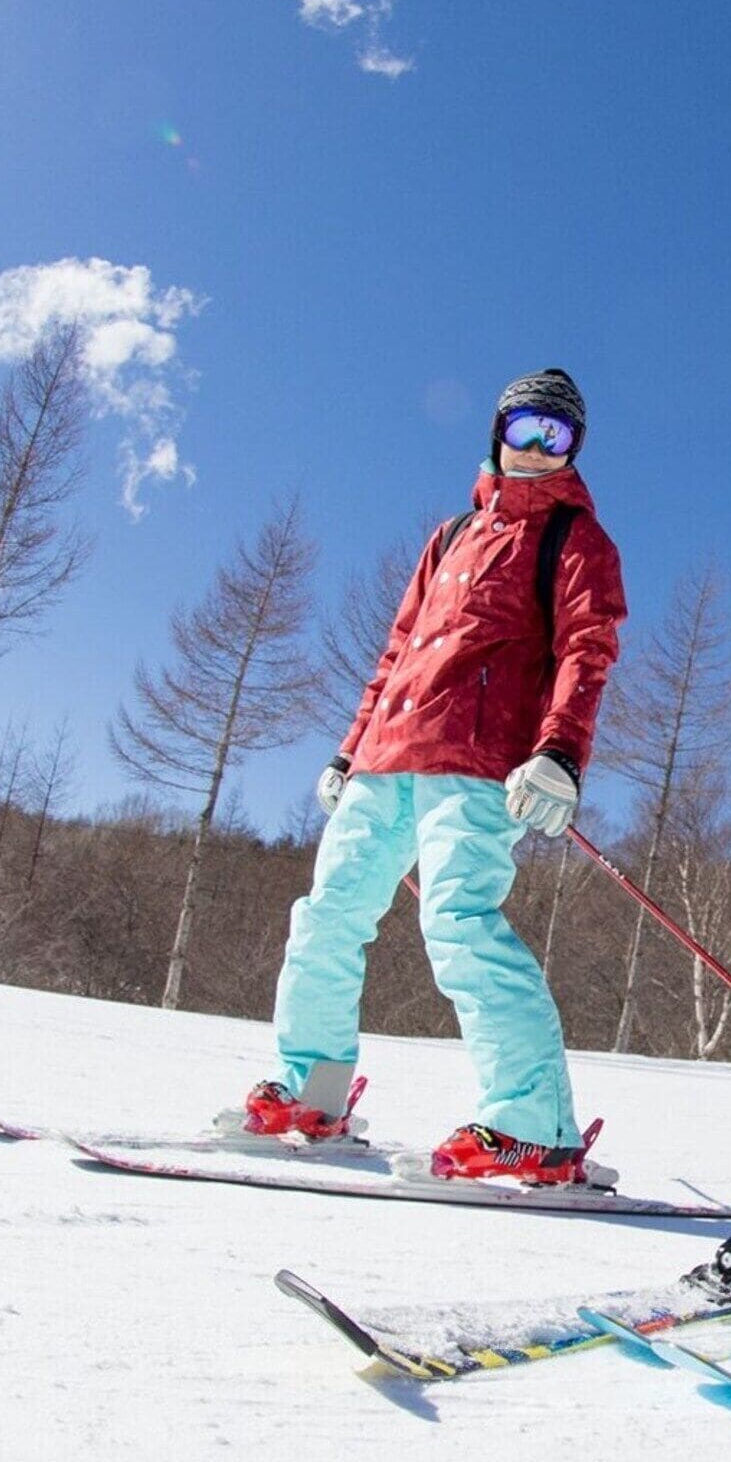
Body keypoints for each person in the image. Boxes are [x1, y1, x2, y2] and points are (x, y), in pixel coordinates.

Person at [228, 369, 626, 1183]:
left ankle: (532, 1126)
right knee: (328, 916)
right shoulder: (448, 537)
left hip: (479, 761)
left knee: (459, 923)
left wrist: (558, 752)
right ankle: (312, 1088)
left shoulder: (575, 539)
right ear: (497, 434)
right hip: (387, 755)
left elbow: (588, 648)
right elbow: (397, 652)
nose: (539, 450)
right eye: (526, 430)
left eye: (559, 437)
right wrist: (350, 747)